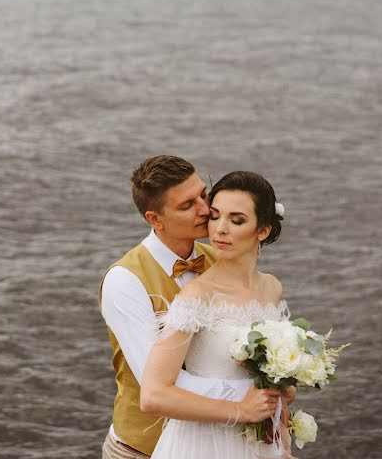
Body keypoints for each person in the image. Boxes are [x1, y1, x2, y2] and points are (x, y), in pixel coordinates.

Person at [99, 157, 283, 459]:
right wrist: (247, 401)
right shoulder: (125, 281)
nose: (204, 209)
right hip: (144, 448)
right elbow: (156, 384)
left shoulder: (220, 257)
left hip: (227, 442)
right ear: (155, 219)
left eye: (202, 194)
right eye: (187, 205)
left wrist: (278, 384)